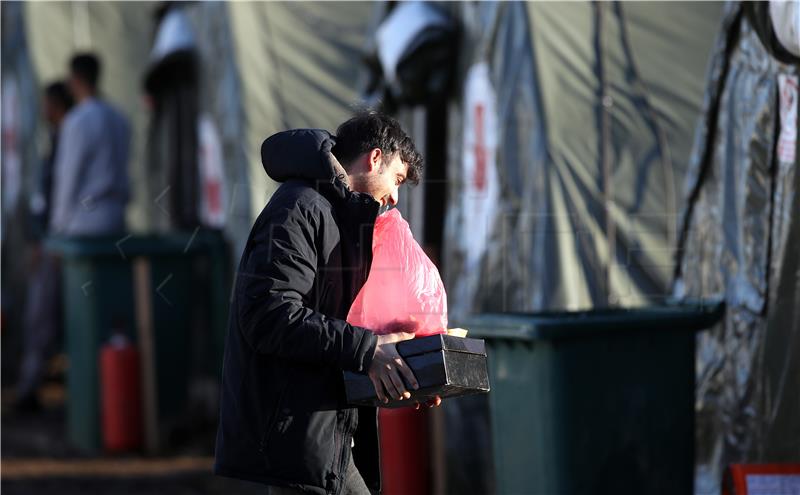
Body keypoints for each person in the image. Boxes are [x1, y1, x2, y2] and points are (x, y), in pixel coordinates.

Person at [214, 112, 439, 495]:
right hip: (295, 437)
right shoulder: (299, 208)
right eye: (396, 179)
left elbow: (334, 330)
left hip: (329, 436)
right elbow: (269, 313)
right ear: (374, 158)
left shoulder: (344, 220)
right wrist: (368, 351)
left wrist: (398, 371)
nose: (396, 197)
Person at [14, 81, 73, 411]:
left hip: (57, 241)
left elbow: (56, 196)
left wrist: (45, 240)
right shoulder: (56, 138)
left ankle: (29, 389)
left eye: (46, 104)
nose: (42, 110)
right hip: (52, 240)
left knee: (41, 318)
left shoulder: (70, 137)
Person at [49, 53, 130, 236]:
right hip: (117, 216)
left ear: (75, 79)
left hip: (84, 221)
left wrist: (58, 225)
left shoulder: (76, 120)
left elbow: (68, 176)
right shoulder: (120, 118)